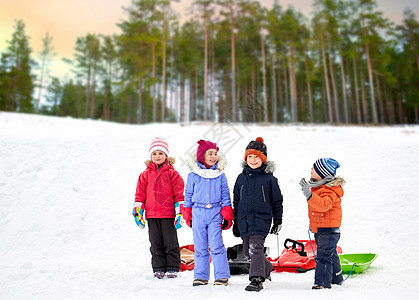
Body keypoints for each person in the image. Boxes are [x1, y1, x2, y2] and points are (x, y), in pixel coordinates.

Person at [232, 137, 284, 292]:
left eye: (256, 157)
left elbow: (277, 201)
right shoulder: (241, 178)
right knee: (248, 251)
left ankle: (256, 279)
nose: (253, 160)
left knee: (256, 248)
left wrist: (278, 220)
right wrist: (235, 220)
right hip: (244, 220)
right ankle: (265, 268)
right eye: (250, 157)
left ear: (263, 159)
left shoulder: (269, 179)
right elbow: (236, 199)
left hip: (262, 220)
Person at [182, 140, 234, 287]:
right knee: (200, 246)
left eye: (215, 154)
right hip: (198, 212)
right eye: (210, 153)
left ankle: (222, 275)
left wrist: (226, 212)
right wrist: (187, 212)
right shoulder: (193, 175)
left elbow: (225, 194)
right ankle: (200, 276)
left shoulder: (220, 175)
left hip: (215, 213)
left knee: (216, 245)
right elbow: (188, 194)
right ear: (201, 156)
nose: (213, 156)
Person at [132, 137, 185, 279]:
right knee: (155, 243)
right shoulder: (144, 175)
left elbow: (179, 196)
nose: (157, 156)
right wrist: (138, 213)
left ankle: (173, 267)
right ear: (150, 156)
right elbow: (139, 196)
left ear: (166, 155)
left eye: (160, 153)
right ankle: (158, 267)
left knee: (170, 242)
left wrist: (180, 214)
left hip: (168, 215)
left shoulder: (173, 174)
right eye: (154, 154)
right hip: (151, 215)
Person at [299, 158, 345, 289]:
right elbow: (317, 211)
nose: (311, 170)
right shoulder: (319, 188)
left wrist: (309, 195)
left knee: (323, 256)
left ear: (322, 173)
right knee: (330, 253)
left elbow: (324, 206)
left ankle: (322, 283)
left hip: (328, 230)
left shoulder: (329, 190)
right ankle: (337, 277)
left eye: (314, 168)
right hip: (322, 229)